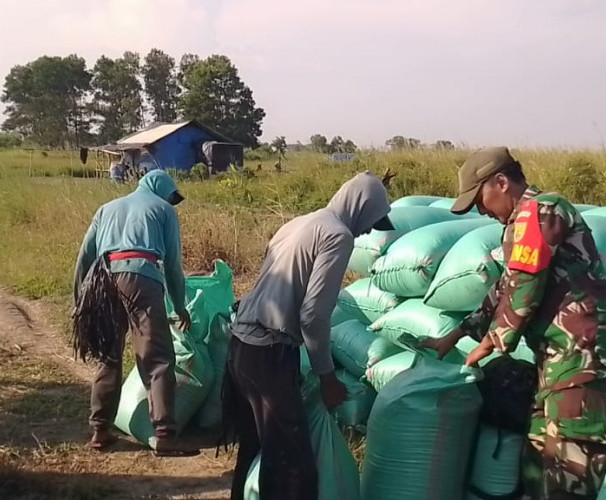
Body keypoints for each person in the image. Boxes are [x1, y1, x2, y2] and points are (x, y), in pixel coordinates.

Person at [422, 147, 606, 499]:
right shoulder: (520, 225)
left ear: (501, 182)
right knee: (536, 469)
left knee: (568, 481)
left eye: (480, 200)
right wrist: (456, 335)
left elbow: (525, 285)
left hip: (583, 366)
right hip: (555, 368)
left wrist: (492, 344)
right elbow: (504, 287)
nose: (481, 211)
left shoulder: (541, 210)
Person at [225, 171, 395, 500]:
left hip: (241, 346)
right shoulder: (338, 235)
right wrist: (327, 377)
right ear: (360, 208)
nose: (368, 230)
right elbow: (314, 315)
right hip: (267, 353)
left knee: (257, 447)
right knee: (291, 462)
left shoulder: (299, 223)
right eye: (372, 221)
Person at [73, 169, 198, 457]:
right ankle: (165, 435)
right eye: (170, 195)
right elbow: (173, 264)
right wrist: (179, 307)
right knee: (157, 358)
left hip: (103, 280)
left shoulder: (107, 208)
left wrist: (80, 298)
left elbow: (85, 256)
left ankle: (100, 430)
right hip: (141, 278)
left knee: (109, 354)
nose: (171, 200)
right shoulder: (163, 210)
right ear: (160, 189)